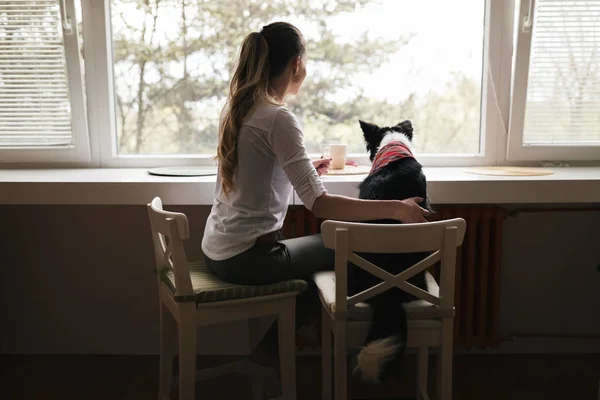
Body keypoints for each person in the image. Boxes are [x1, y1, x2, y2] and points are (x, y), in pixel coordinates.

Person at [201, 22, 430, 398]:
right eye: (305, 62)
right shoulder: (278, 117)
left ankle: (266, 354)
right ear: (296, 64)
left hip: (217, 249)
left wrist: (306, 167)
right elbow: (320, 206)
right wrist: (398, 208)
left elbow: (261, 168)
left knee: (316, 269)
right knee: (343, 248)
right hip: (247, 258)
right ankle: (276, 355)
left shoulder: (241, 107)